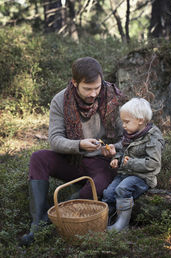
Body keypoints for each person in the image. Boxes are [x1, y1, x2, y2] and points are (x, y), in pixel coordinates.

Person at [20, 57, 125, 246]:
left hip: (103, 161)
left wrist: (112, 149)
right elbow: (55, 140)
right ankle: (38, 224)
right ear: (75, 82)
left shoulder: (113, 98)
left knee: (97, 183)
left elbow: (128, 137)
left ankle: (58, 216)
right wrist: (79, 145)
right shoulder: (60, 100)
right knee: (38, 157)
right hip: (73, 159)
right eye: (88, 88)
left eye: (97, 87)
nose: (94, 93)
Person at [102, 97, 165, 232]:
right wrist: (117, 159)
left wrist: (129, 163)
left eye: (126, 122)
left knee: (122, 189)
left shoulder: (153, 137)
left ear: (140, 120)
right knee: (108, 193)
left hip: (142, 177)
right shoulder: (130, 134)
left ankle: (122, 226)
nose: (123, 125)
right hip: (126, 172)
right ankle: (104, 221)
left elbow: (153, 164)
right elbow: (123, 151)